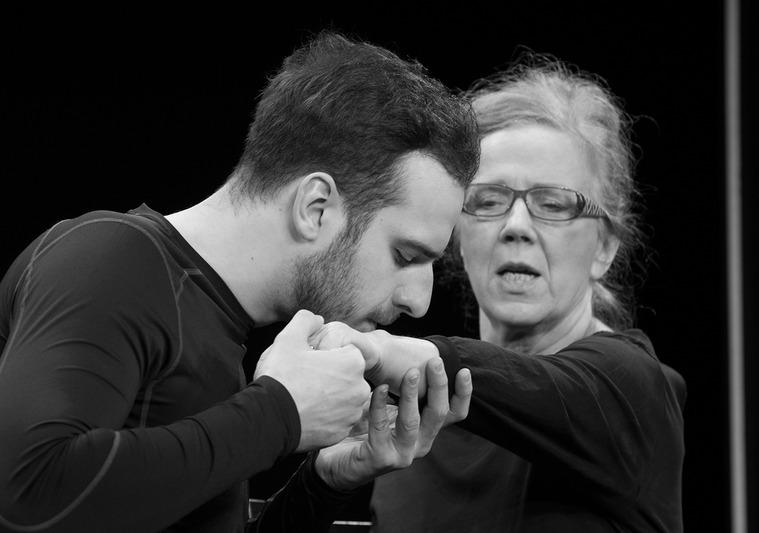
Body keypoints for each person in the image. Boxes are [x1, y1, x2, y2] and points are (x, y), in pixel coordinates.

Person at [0, 31, 478, 532]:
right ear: (315, 208)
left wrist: (323, 483)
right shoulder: (108, 257)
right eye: (405, 255)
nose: (420, 301)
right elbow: (28, 494)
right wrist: (280, 413)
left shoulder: (220, 325)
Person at [312, 53, 686, 532]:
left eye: (554, 205)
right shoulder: (410, 422)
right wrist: (323, 485)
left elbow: (544, 390)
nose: (516, 226)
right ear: (458, 237)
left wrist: (375, 351)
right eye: (488, 201)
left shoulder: (632, 390)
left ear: (604, 249)